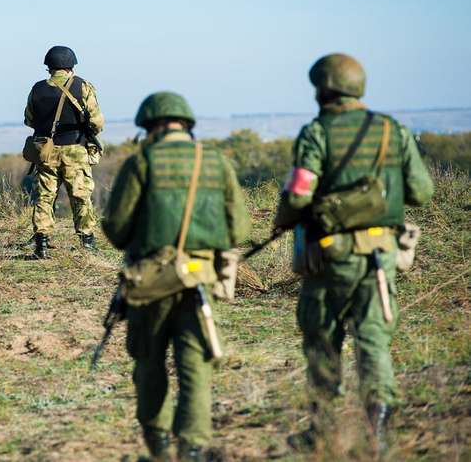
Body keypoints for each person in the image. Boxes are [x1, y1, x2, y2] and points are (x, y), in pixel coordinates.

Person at [275, 53, 434, 455]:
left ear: (323, 89)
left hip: (329, 256)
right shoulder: (391, 131)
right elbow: (422, 192)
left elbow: (298, 193)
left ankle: (323, 430)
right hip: (381, 258)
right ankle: (378, 432)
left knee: (323, 340)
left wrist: (284, 219)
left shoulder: (316, 133)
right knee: (374, 342)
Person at [103, 92, 251, 461]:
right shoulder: (215, 162)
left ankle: (160, 448)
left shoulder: (141, 162)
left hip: (150, 282)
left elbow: (117, 229)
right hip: (199, 283)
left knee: (149, 365)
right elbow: (240, 229)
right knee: (195, 368)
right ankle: (194, 448)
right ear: (187, 124)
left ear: (148, 127)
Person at [24, 45, 104, 259]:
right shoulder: (83, 86)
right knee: (80, 196)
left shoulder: (37, 88)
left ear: (48, 67)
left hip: (46, 151)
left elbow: (29, 120)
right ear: (71, 66)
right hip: (76, 150)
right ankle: (86, 241)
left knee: (44, 196)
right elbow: (97, 122)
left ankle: (41, 243)